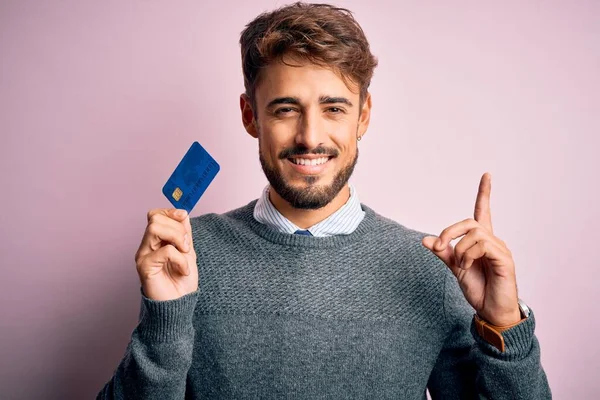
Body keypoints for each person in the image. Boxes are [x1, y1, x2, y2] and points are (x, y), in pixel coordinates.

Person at [97, 2, 551, 398]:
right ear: (250, 115)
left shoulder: (433, 269)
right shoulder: (189, 257)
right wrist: (165, 319)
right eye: (286, 109)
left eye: (334, 108)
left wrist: (505, 324)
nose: (310, 137)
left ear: (364, 115)